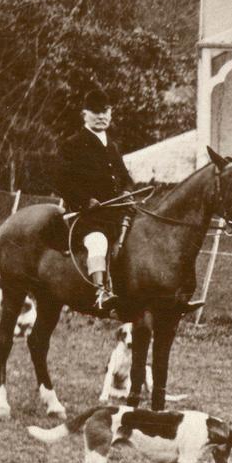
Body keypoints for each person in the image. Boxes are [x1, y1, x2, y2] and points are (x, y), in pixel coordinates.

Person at [57, 89, 136, 312]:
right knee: (98, 242)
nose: (102, 116)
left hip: (115, 212)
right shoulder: (72, 144)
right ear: (84, 115)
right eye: (95, 112)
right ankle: (101, 291)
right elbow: (61, 181)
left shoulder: (111, 145)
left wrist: (127, 192)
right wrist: (85, 200)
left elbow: (125, 178)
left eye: (106, 112)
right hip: (86, 215)